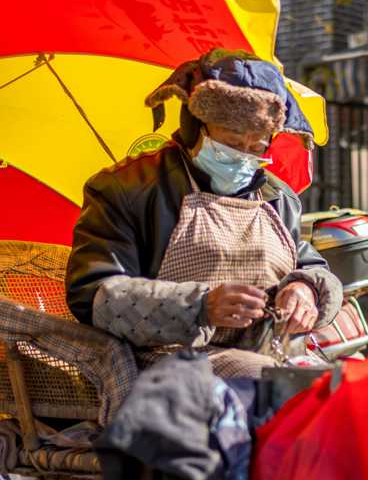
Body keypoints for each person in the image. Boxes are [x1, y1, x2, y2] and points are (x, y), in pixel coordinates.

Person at [66, 50, 342, 378]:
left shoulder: (277, 197)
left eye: (256, 147)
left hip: (262, 353)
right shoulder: (125, 188)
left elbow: (314, 268)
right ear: (196, 126)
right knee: (266, 381)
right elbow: (93, 295)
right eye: (230, 141)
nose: (243, 156)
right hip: (158, 362)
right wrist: (199, 306)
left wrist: (306, 289)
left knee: (341, 389)